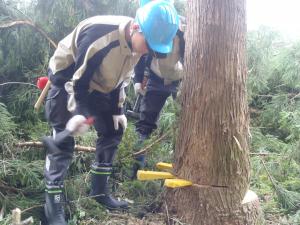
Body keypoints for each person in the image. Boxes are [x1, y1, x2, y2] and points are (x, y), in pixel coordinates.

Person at [42, 1, 179, 224]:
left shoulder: (140, 45)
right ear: (136, 27)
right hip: (69, 77)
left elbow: (120, 78)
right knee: (63, 141)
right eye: (149, 45)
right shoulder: (100, 36)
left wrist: (117, 110)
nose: (148, 51)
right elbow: (78, 83)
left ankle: (99, 192)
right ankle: (52, 207)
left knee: (113, 130)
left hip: (102, 84)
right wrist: (79, 112)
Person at [131, 8, 185, 178]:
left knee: (185, 122)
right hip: (156, 78)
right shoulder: (149, 27)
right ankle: (135, 171)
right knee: (145, 124)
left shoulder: (184, 32)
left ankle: (182, 167)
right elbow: (141, 53)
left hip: (181, 80)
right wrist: (138, 80)